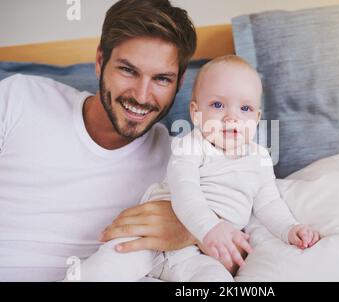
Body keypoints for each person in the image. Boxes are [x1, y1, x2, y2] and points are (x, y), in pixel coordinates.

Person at [70, 55, 321, 282]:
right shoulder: (190, 145)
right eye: (218, 105)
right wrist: (210, 227)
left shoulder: (259, 159)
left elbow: (269, 203)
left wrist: (290, 229)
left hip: (197, 255)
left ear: (256, 118)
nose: (231, 118)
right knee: (106, 268)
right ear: (196, 113)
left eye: (244, 108)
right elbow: (184, 191)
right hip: (151, 238)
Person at [0, 0, 199, 281]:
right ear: (99, 62)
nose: (141, 97)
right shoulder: (19, 99)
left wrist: (190, 229)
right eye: (128, 70)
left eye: (162, 79)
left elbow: (240, 223)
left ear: (179, 84)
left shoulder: (179, 163)